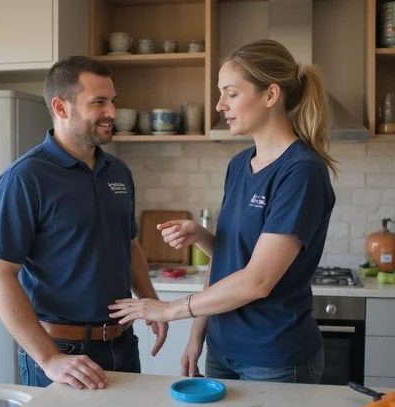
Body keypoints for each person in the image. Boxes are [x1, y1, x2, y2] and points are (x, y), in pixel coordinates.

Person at [110, 39, 337, 383]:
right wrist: (197, 336)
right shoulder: (239, 164)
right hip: (222, 349)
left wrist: (170, 310)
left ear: (271, 95)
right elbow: (228, 261)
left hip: (273, 357)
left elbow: (258, 281)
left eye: (231, 93)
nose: (219, 105)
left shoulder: (301, 172)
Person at [0, 56, 167, 390]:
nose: (112, 112)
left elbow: (128, 244)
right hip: (62, 352)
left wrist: (151, 301)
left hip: (123, 344)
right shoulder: (25, 178)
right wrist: (50, 358)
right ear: (61, 107)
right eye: (99, 102)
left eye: (113, 101)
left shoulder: (118, 172)